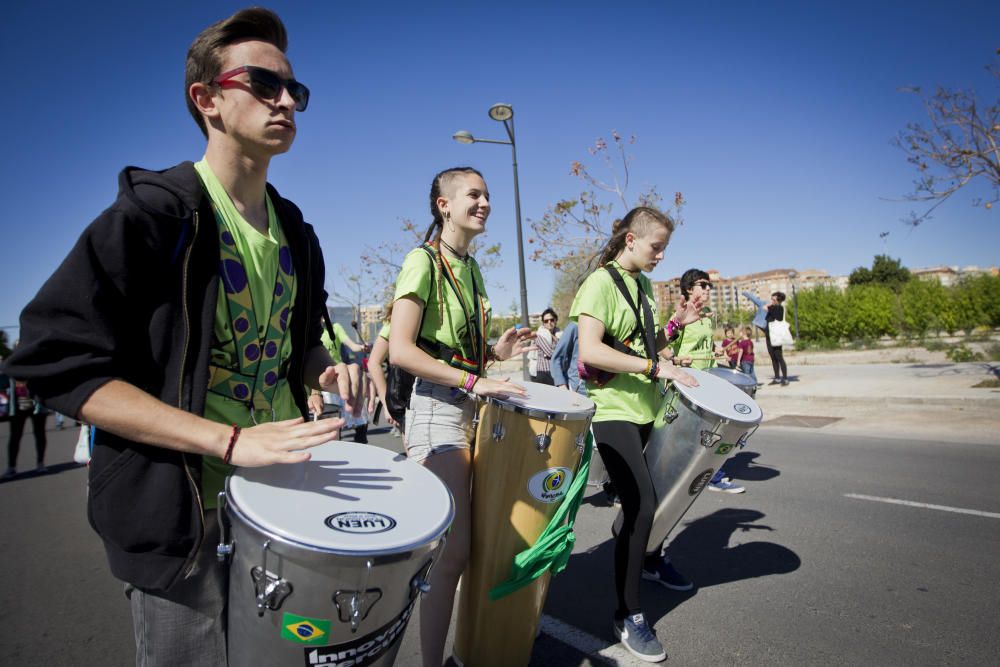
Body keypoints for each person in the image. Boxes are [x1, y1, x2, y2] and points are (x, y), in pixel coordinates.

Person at [2, 9, 344, 664]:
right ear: (208, 98)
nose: (285, 101)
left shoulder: (296, 229)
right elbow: (53, 358)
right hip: (182, 513)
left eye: (294, 90)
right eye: (264, 83)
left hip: (279, 501)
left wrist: (323, 367)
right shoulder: (157, 211)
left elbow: (302, 341)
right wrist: (229, 440)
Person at [389, 166, 534, 667]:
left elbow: (456, 352)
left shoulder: (470, 268)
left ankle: (461, 652)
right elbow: (402, 351)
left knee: (468, 546)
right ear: (442, 204)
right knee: (453, 553)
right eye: (474, 194)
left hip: (468, 406)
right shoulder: (422, 261)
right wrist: (476, 380)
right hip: (435, 410)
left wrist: (496, 352)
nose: (486, 202)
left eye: (489, 195)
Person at [572, 207, 706, 662]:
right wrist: (655, 366)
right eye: (656, 247)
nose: (661, 256)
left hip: (648, 406)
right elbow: (591, 350)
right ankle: (628, 614)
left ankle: (646, 555)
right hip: (613, 410)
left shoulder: (644, 286)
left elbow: (641, 347)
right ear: (631, 239)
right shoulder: (600, 283)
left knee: (655, 500)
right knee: (643, 505)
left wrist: (675, 328)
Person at [671, 270, 745, 495]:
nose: (707, 289)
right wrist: (675, 359)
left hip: (705, 382)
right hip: (685, 383)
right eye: (702, 284)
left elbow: (706, 345)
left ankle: (706, 475)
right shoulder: (680, 315)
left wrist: (717, 350)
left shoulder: (705, 317)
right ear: (688, 289)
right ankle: (710, 476)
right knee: (701, 434)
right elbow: (663, 347)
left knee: (706, 434)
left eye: (708, 285)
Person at [3, 376, 48, 477]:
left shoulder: (34, 367)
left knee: (40, 434)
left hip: (36, 404)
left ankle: (40, 463)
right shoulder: (11, 369)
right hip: (17, 406)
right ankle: (11, 467)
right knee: (15, 436)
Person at [551, 320, 585, 396]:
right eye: (546, 321)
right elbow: (557, 357)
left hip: (605, 391)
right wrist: (561, 385)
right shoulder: (575, 326)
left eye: (552, 320)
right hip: (579, 390)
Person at [765, 291, 790, 385]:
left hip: (776, 336)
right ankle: (777, 378)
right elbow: (767, 319)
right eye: (771, 299)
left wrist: (769, 308)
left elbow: (778, 318)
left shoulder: (779, 308)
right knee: (773, 357)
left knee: (779, 357)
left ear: (778, 300)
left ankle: (785, 378)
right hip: (769, 336)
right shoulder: (772, 308)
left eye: (773, 299)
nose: (771, 301)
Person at [531, 307, 560, 385]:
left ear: (556, 320)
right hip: (543, 373)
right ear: (543, 323)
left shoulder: (559, 334)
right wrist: (561, 352)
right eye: (546, 321)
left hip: (556, 371)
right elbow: (550, 353)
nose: (549, 322)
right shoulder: (540, 335)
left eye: (552, 320)